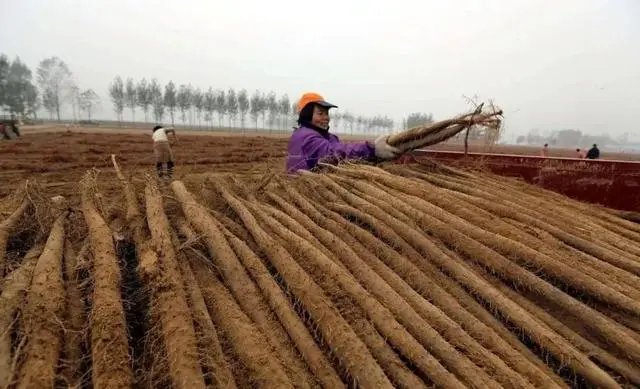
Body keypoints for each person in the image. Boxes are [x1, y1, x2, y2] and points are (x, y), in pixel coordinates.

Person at [286, 92, 400, 174]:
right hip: (306, 188)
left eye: (326, 113)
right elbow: (332, 152)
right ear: (307, 115)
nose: (326, 117)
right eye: (320, 114)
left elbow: (340, 147)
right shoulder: (307, 136)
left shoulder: (324, 136)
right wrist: (370, 148)